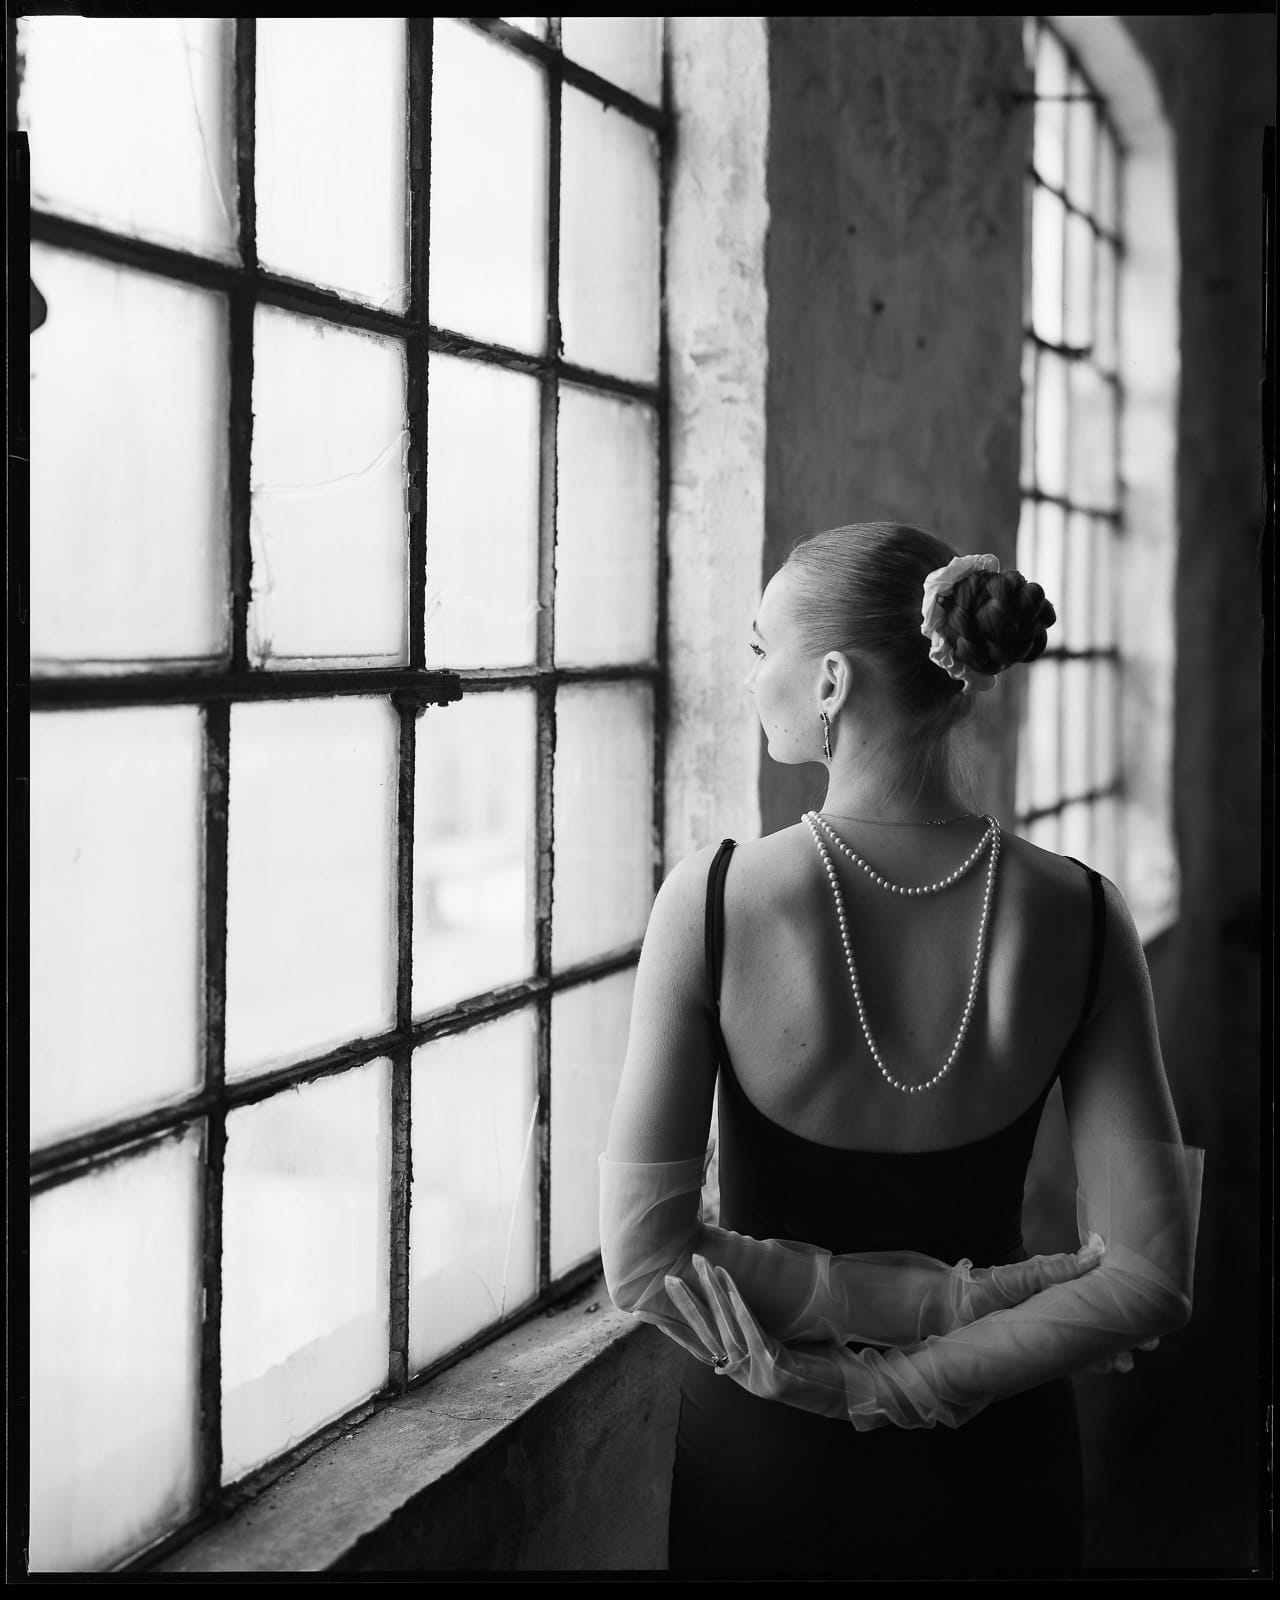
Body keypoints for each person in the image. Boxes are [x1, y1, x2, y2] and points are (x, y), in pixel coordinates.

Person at [599, 523, 1202, 1577]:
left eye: (760, 649)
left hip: (767, 1445)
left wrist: (853, 1376)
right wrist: (947, 1324)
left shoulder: (712, 901)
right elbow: (1148, 1276)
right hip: (1000, 1453)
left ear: (830, 681)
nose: (750, 677)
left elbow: (645, 1258)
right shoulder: (1082, 912)